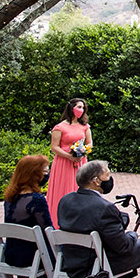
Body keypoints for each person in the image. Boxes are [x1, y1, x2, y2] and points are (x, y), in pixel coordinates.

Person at [3, 155, 54, 278]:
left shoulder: (10, 198)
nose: (47, 175)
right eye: (45, 171)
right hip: (32, 257)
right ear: (34, 174)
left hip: (13, 253)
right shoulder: (36, 199)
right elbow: (48, 231)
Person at [47, 97, 93, 227]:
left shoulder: (85, 127)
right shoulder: (60, 127)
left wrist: (83, 152)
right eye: (79, 107)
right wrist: (69, 156)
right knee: (63, 188)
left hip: (80, 162)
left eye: (83, 108)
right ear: (71, 108)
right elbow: (54, 147)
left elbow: (90, 143)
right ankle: (57, 219)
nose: (81, 110)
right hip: (63, 162)